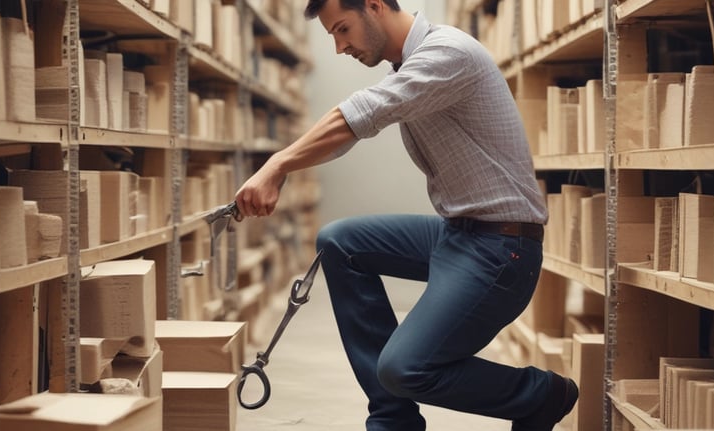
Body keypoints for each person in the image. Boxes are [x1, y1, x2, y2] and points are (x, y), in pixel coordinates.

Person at [234, 0, 578, 430]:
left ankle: (541, 394)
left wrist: (276, 165)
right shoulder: (405, 67)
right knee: (341, 241)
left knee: (404, 369)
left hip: (501, 249)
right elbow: (355, 129)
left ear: (375, 6)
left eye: (342, 29)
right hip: (458, 235)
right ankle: (393, 420)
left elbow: (361, 114)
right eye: (333, 37)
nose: (340, 47)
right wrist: (284, 164)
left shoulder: (448, 53)